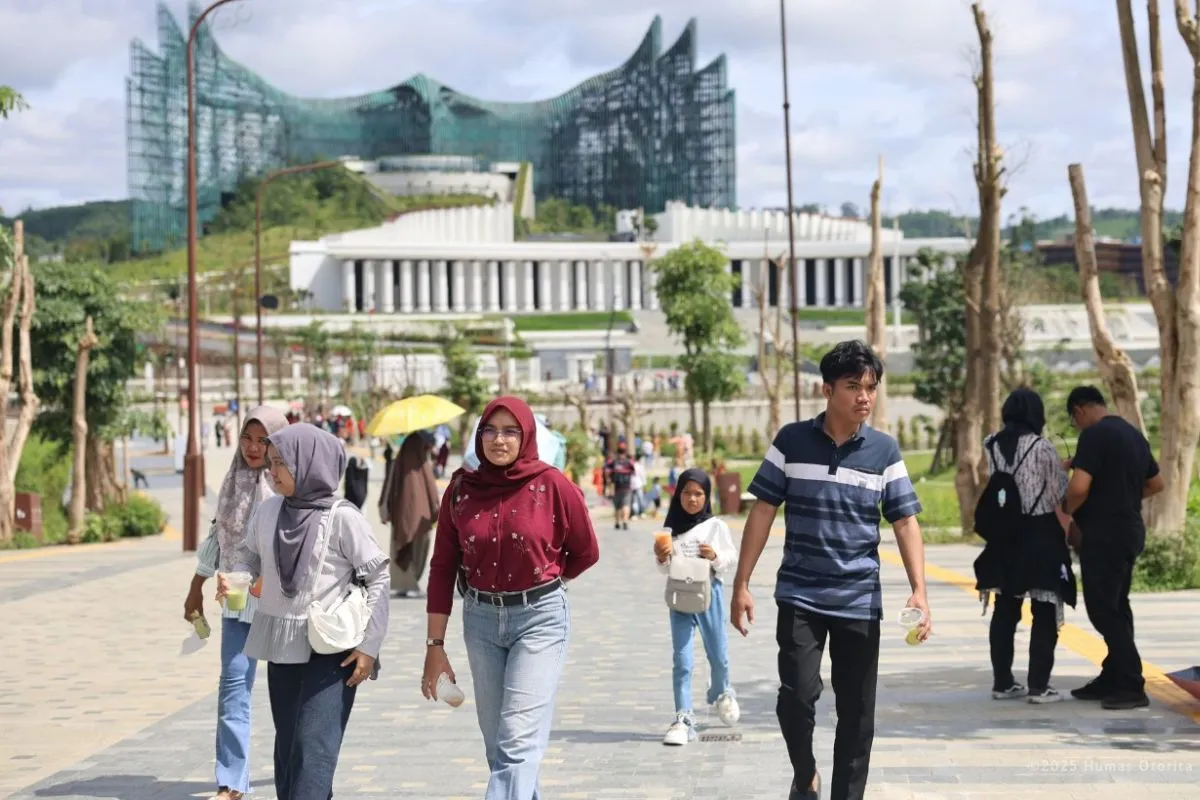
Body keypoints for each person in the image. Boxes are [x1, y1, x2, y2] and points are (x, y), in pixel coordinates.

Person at [730, 340, 931, 800]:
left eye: (871, 387)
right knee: (797, 699)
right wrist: (741, 583)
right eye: (853, 386)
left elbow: (904, 520)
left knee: (858, 715)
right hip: (800, 595)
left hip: (859, 600)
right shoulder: (791, 441)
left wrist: (919, 590)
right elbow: (762, 512)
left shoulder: (884, 451)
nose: (864, 396)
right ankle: (806, 775)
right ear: (827, 390)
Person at [422, 396, 600, 800]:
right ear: (479, 434)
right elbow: (442, 567)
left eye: (510, 431)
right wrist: (435, 645)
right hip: (481, 622)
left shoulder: (553, 485)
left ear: (527, 436)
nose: (498, 440)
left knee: (516, 744)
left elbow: (587, 551)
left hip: (540, 620)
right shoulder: (462, 490)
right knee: (499, 747)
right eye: (490, 430)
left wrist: (547, 580)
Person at [218, 424, 390, 800]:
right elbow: (249, 555)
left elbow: (378, 577)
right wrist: (238, 578)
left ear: (311, 465)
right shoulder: (268, 510)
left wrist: (370, 646)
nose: (273, 471)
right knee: (290, 752)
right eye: (272, 461)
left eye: (283, 463)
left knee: (315, 751)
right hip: (282, 647)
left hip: (331, 652)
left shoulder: (344, 517)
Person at [184, 405, 288, 800]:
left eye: (263, 440)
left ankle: (295, 773)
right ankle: (232, 781)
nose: (252, 447)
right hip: (238, 601)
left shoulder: (285, 484)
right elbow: (218, 534)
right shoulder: (233, 482)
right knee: (232, 687)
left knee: (287, 694)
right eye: (247, 437)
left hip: (280, 606)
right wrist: (196, 584)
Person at [1061, 386, 1164, 710]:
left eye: (1074, 421)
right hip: (1129, 530)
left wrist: (1066, 509)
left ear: (1079, 411)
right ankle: (1113, 675)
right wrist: (1123, 500)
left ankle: (1132, 684)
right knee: (1118, 605)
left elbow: (1078, 488)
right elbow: (1156, 483)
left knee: (1103, 609)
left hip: (1104, 534)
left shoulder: (1093, 436)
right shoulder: (1132, 434)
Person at [973, 388, 1076, 704]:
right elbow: (1059, 492)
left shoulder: (991, 443)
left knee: (1006, 608)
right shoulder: (1043, 447)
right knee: (1044, 610)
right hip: (1039, 533)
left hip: (1005, 535)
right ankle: (1038, 685)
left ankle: (1002, 682)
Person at [653, 468, 740, 745]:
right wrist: (661, 557)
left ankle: (721, 692)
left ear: (707, 496)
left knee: (718, 654)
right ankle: (683, 718)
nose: (692, 499)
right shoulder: (670, 530)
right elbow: (664, 568)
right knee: (682, 659)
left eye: (698, 493)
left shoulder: (716, 527)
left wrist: (714, 556)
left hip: (709, 594)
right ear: (678, 494)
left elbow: (730, 558)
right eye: (686, 493)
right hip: (679, 595)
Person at [382, 430, 439, 599]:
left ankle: (403, 584)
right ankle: (412, 583)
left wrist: (386, 511)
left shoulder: (397, 463)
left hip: (400, 518)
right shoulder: (423, 465)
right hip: (422, 520)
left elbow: (389, 489)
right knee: (418, 549)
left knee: (401, 548)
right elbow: (433, 493)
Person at [608, 444, 635, 530]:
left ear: (617, 451)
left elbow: (607, 471)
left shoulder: (613, 462)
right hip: (627, 487)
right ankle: (625, 522)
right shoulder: (629, 462)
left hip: (616, 487)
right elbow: (634, 472)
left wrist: (608, 484)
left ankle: (617, 523)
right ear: (625, 452)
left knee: (617, 506)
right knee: (626, 505)